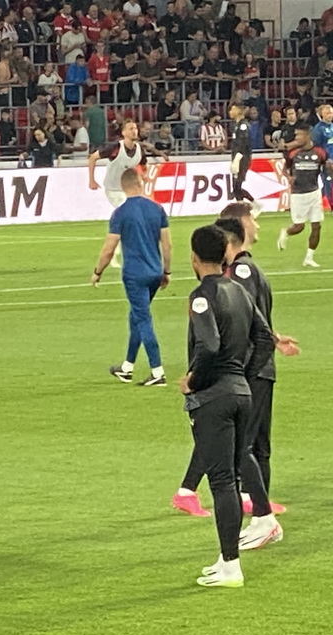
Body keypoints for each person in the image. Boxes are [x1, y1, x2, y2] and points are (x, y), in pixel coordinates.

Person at [173, 203, 298, 523]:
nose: (257, 225)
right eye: (253, 219)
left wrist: (273, 339)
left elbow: (248, 322)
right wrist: (252, 362)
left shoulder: (223, 281)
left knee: (236, 440)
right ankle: (256, 509)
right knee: (241, 442)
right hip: (239, 371)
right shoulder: (238, 274)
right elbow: (227, 330)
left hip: (238, 369)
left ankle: (246, 506)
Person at [180, 225, 276, 588]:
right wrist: (244, 375)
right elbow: (264, 339)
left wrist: (194, 380)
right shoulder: (239, 290)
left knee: (222, 482)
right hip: (243, 393)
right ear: (225, 255)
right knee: (233, 477)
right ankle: (226, 560)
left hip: (215, 397)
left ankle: (231, 565)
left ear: (194, 257)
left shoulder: (201, 296)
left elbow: (209, 345)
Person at [91, 168, 172, 387]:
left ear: (123, 187)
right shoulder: (157, 209)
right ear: (139, 182)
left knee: (143, 319)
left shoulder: (121, 213)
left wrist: (98, 271)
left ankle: (157, 372)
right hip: (155, 272)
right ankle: (127, 367)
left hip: (135, 275)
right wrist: (167, 271)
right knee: (136, 316)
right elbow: (167, 244)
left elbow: (109, 248)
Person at [87, 119, 166, 268]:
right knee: (132, 216)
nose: (134, 131)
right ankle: (119, 254)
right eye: (130, 128)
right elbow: (92, 158)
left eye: (135, 128)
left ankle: (116, 253)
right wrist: (91, 180)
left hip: (129, 190)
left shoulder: (138, 149)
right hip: (114, 189)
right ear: (123, 133)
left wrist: (144, 175)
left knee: (129, 220)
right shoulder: (115, 147)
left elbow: (144, 165)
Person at [277, 125, 329, 268]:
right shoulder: (293, 153)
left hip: (314, 192)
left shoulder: (320, 152)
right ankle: (286, 232)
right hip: (298, 194)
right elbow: (284, 169)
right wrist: (289, 177)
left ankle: (309, 257)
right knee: (299, 227)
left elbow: (327, 167)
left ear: (308, 136)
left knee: (317, 226)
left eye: (299, 135)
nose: (297, 138)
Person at [228, 104, 256, 205]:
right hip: (236, 156)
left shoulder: (243, 125)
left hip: (242, 158)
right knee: (235, 186)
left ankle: (253, 204)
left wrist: (237, 158)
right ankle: (242, 206)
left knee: (237, 184)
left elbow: (244, 143)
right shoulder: (235, 125)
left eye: (232, 109)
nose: (230, 112)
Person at [310, 104, 333, 209]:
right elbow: (316, 147)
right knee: (328, 183)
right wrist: (324, 159)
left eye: (331, 113)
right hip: (327, 162)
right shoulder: (318, 129)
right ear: (322, 114)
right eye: (327, 113)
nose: (330, 115)